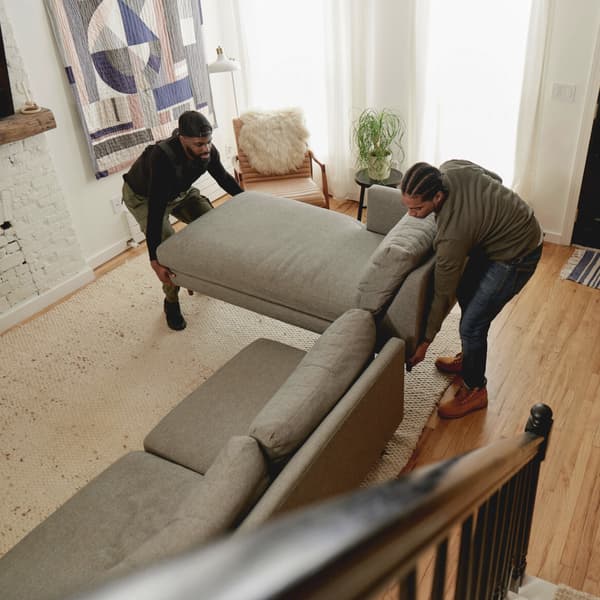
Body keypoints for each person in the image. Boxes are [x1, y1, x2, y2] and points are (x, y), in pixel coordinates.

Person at [401, 160, 543, 419]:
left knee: (472, 325)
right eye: (407, 207)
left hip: (519, 253)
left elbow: (443, 294)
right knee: (467, 290)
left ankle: (476, 389)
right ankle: (470, 359)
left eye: (418, 209)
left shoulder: (452, 236)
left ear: (438, 196)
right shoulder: (452, 167)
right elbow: (495, 178)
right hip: (505, 235)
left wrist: (425, 342)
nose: (411, 215)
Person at [122, 110, 243, 331]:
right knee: (169, 251)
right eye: (199, 144)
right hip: (145, 198)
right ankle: (171, 302)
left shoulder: (207, 152)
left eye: (208, 142)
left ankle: (196, 274)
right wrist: (154, 260)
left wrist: (250, 200)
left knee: (212, 222)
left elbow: (224, 179)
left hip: (180, 192)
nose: (205, 148)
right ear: (182, 139)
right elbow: (157, 212)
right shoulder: (162, 158)